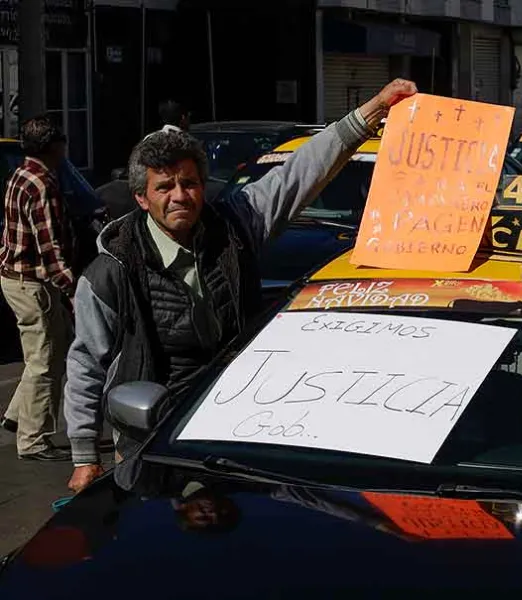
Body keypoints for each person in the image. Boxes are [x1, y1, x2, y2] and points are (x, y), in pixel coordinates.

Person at [63, 78, 419, 493]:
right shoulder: (111, 271)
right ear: (142, 198)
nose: (180, 196)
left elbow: (300, 173)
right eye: (164, 187)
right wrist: (85, 456)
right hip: (153, 444)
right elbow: (87, 362)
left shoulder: (234, 226)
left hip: (237, 430)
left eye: (190, 183)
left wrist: (372, 111)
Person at [0, 116, 75, 461]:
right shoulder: (43, 183)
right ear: (52, 147)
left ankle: (17, 416)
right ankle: (34, 439)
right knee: (46, 359)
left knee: (42, 352)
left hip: (13, 275)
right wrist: (72, 288)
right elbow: (50, 249)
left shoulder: (20, 173)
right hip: (32, 281)